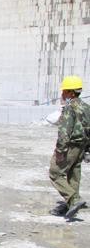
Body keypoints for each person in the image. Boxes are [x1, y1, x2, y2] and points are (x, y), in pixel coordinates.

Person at [49, 75, 90, 219]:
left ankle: (74, 200)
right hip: (81, 146)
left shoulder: (69, 108)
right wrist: (87, 150)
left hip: (70, 146)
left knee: (55, 173)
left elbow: (64, 131)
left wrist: (60, 150)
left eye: (64, 91)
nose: (62, 94)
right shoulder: (86, 107)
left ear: (72, 93)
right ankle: (71, 203)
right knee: (74, 173)